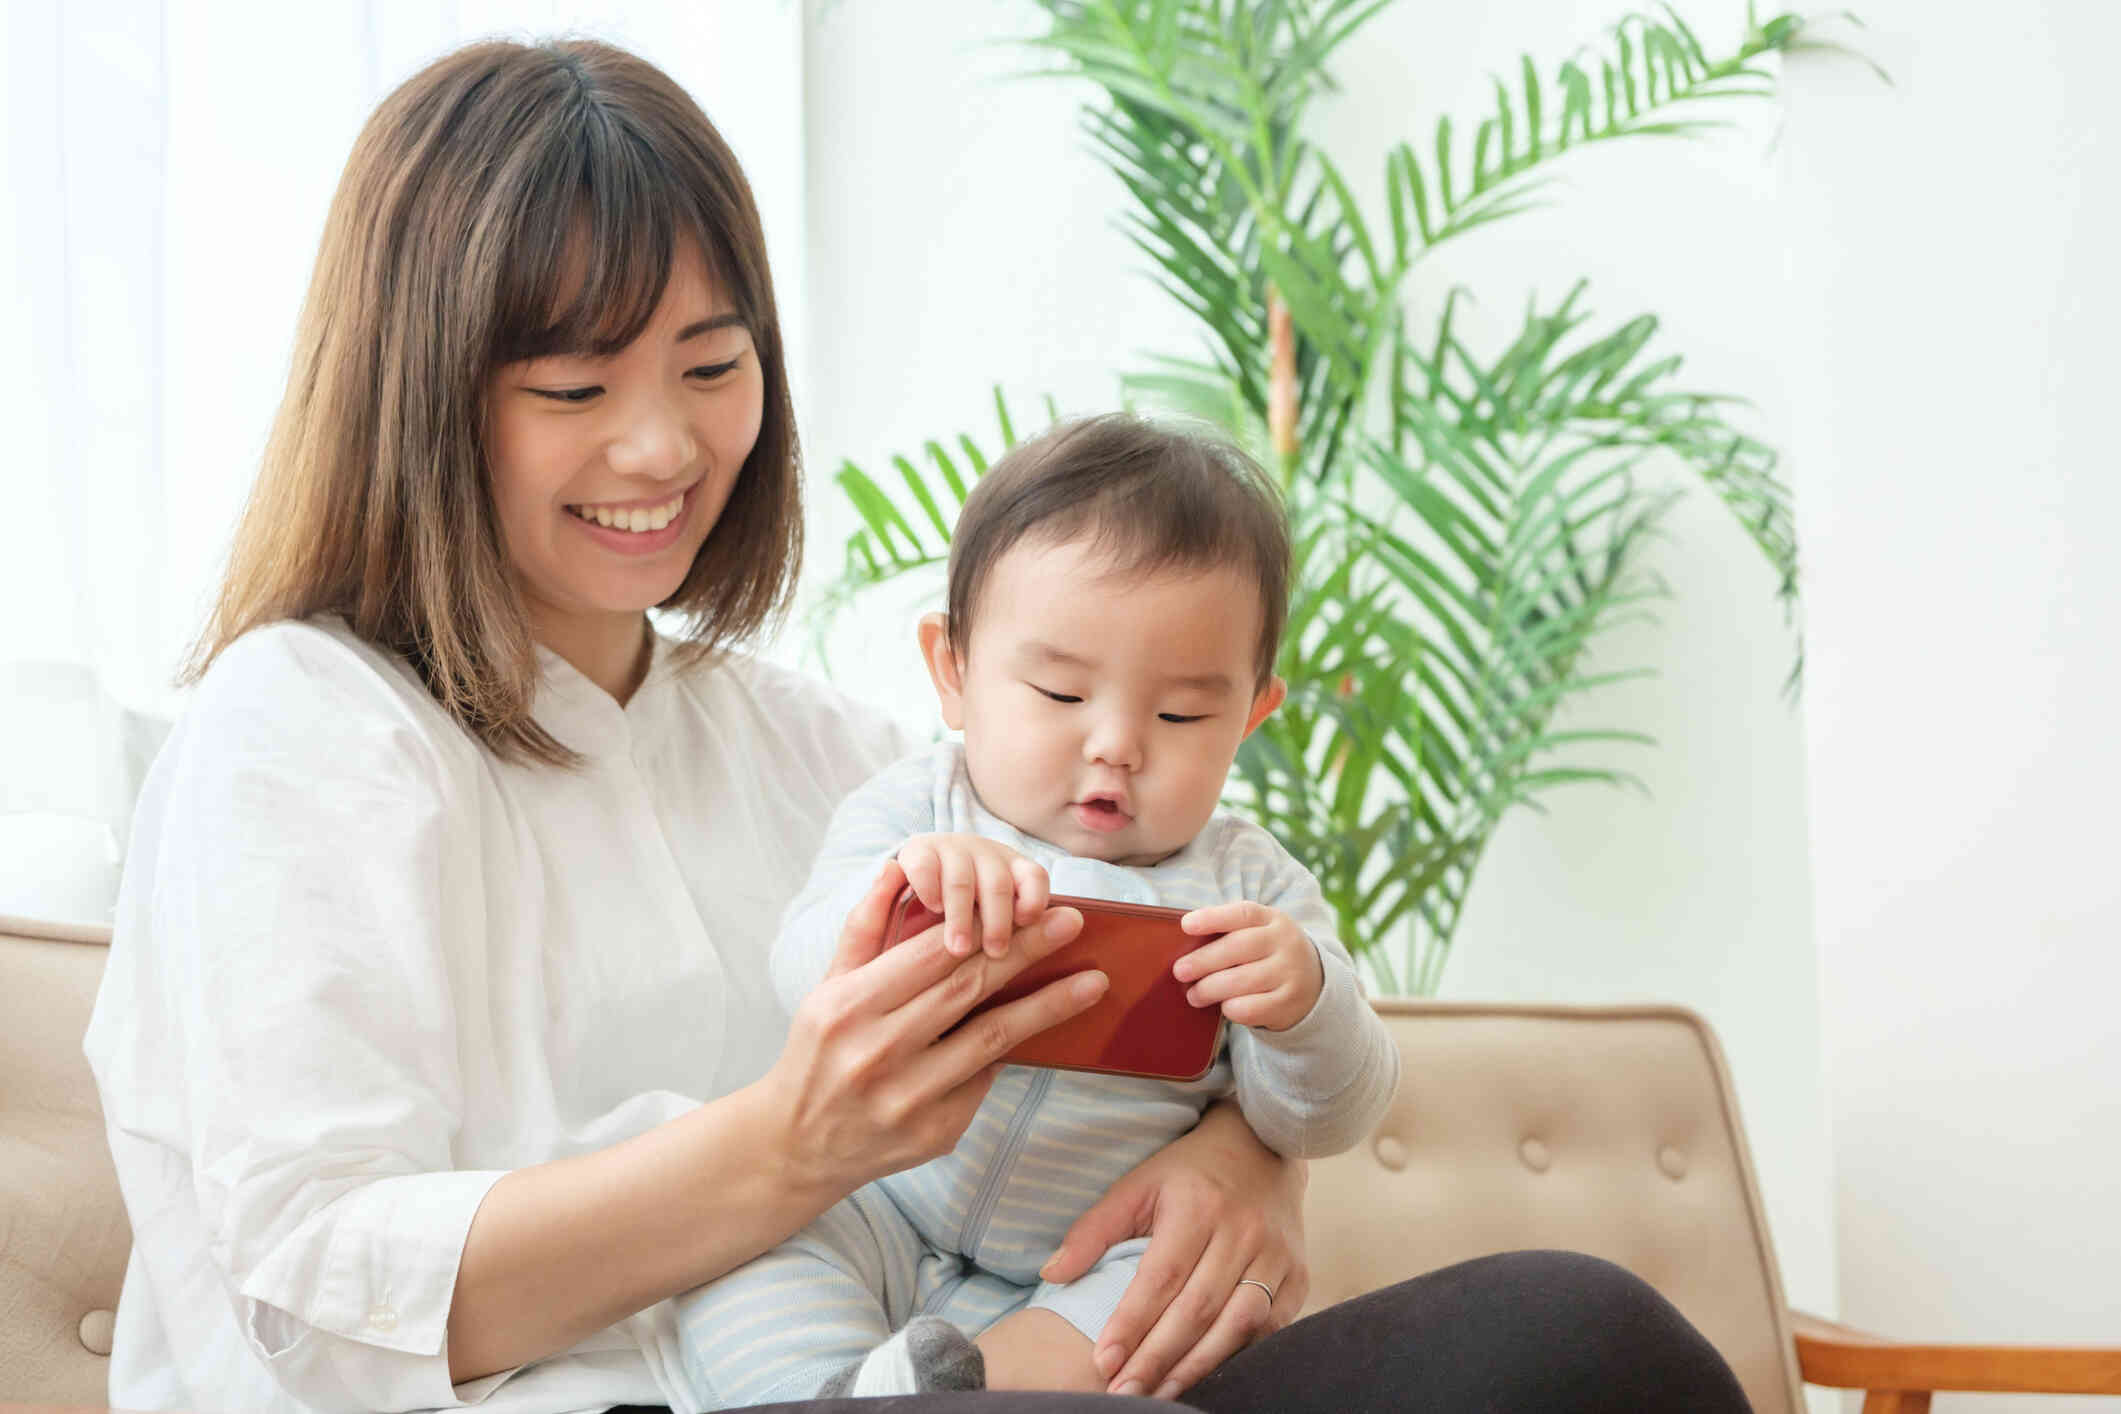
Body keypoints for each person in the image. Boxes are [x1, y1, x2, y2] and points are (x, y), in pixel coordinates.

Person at [80, 34, 1752, 1414]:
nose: (662, 447)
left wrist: (1250, 1157)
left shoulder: (819, 750)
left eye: (711, 364)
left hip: (959, 1370)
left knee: (1580, 1342)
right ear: (425, 397)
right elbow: (306, 1305)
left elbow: (1159, 991)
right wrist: (785, 1148)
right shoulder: (300, 728)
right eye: (575, 390)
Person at [672, 416, 1401, 1406]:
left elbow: (1326, 1113)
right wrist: (901, 894)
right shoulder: (916, 807)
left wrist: (1309, 1002)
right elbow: (804, 970)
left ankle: (927, 1394)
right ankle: (829, 1389)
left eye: (1182, 714)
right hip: (877, 1205)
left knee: (1158, 1306)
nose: (1116, 744)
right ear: (954, 672)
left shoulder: (1251, 883)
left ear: (1251, 717)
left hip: (1081, 1257)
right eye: (1059, 692)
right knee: (736, 1253)